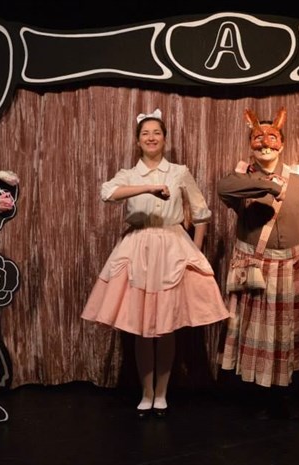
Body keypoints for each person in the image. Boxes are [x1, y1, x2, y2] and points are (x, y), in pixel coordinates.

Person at [81, 108, 229, 418]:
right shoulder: (128, 174)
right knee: (141, 328)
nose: (151, 137)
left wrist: (194, 250)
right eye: (145, 133)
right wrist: (148, 187)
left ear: (164, 139)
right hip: (138, 247)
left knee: (166, 327)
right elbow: (108, 193)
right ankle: (146, 392)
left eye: (157, 133)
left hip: (172, 247)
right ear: (138, 140)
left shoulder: (179, 172)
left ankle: (161, 394)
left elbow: (201, 213)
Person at [217, 107, 299, 419]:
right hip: (256, 267)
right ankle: (259, 395)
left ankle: (286, 395)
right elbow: (223, 189)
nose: (265, 144)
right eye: (258, 138)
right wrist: (270, 186)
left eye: (272, 138)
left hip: (296, 266)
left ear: (282, 143)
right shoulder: (240, 177)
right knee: (258, 335)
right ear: (250, 143)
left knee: (290, 331)